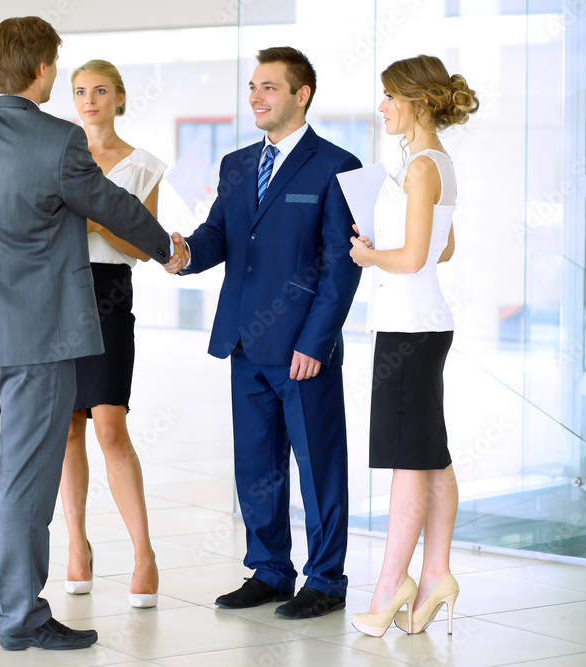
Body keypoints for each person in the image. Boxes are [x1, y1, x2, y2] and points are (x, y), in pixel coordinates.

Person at [0, 17, 180, 652]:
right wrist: (164, 246)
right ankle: (22, 617)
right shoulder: (59, 139)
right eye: (57, 67)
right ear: (41, 69)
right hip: (39, 334)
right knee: (25, 477)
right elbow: (110, 204)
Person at [164, 46, 362, 620]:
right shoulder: (236, 163)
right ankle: (270, 571)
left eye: (269, 87)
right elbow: (220, 236)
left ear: (302, 95)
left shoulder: (338, 166)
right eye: (253, 86)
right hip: (244, 340)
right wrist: (185, 254)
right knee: (256, 466)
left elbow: (341, 266)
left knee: (318, 467)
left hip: (302, 348)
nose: (256, 96)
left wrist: (316, 342)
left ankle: (326, 580)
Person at [347, 54, 478, 638]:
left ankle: (388, 590)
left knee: (407, 462)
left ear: (419, 102)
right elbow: (443, 249)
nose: (382, 107)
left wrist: (369, 254)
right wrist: (387, 246)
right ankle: (436, 576)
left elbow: (416, 257)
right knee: (431, 457)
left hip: (409, 329)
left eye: (389, 97)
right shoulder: (433, 162)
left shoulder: (422, 167)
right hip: (421, 324)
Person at [59, 59, 164, 609]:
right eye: (80, 91)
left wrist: (99, 221)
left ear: (119, 98)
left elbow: (143, 246)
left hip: (108, 294)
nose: (89, 100)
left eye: (100, 90)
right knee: (66, 430)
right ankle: (76, 545)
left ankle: (144, 553)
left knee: (110, 427)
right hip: (58, 294)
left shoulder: (142, 166)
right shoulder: (57, 157)